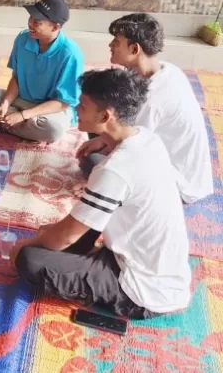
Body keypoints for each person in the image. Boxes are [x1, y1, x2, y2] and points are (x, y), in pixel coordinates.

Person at [12, 69, 191, 320]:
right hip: (160, 269)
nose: (76, 109)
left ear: (106, 116)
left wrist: (20, 247)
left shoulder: (114, 171)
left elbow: (64, 236)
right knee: (60, 228)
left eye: (83, 106)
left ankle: (104, 284)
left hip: (141, 290)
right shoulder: (148, 139)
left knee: (29, 259)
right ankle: (83, 253)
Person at [77, 13, 213, 204]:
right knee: (97, 117)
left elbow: (133, 149)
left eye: (116, 41)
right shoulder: (167, 69)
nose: (110, 46)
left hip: (178, 183)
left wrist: (103, 165)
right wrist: (101, 140)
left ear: (134, 49)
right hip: (159, 152)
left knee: (93, 162)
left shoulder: (152, 100)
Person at [0, 0, 84, 143]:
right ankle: (16, 123)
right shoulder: (23, 39)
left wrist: (23, 115)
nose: (30, 24)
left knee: (54, 130)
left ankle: (4, 122)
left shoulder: (70, 55)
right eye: (30, 18)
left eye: (37, 22)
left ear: (55, 27)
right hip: (21, 100)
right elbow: (16, 78)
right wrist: (5, 104)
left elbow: (63, 103)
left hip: (51, 110)